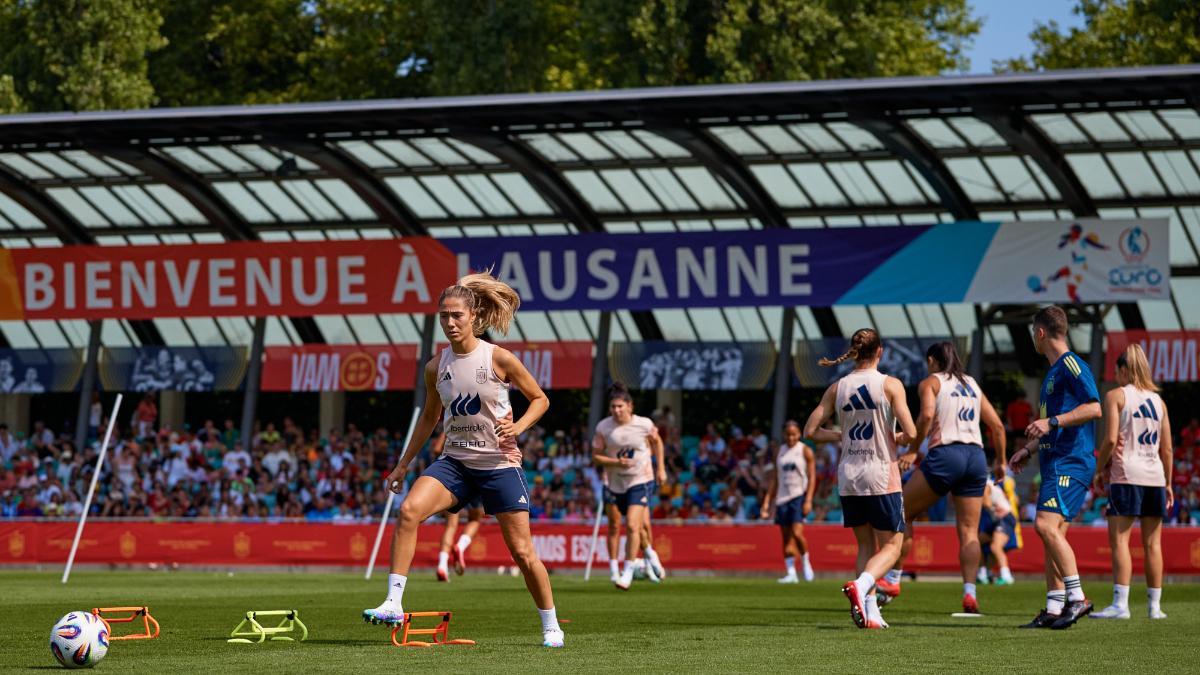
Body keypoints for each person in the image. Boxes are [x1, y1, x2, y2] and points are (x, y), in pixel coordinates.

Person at [365, 271, 564, 648]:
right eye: (444, 316)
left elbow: (541, 399)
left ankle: (551, 624)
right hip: (454, 462)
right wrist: (404, 464)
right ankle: (393, 602)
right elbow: (429, 417)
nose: (450, 322)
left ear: (474, 315)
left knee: (523, 553)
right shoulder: (434, 366)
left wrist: (518, 427)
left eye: (457, 315)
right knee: (408, 511)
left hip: (499, 464)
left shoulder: (499, 358)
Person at [876, 342, 1006, 614]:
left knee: (902, 512)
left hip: (946, 454)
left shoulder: (931, 383)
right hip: (975, 457)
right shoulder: (971, 383)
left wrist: (912, 450)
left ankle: (893, 579)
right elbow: (996, 426)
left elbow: (925, 415)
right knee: (969, 532)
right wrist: (1002, 462)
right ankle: (970, 594)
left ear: (933, 360)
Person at [803, 328, 916, 629]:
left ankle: (871, 613)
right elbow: (912, 432)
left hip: (849, 475)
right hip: (880, 473)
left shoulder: (837, 387)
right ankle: (862, 584)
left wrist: (841, 434)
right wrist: (896, 437)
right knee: (893, 546)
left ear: (854, 352)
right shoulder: (890, 385)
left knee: (865, 546)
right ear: (880, 351)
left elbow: (810, 432)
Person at [1009, 305, 1101, 629]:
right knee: (1053, 534)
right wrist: (1029, 449)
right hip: (1055, 459)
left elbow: (1094, 407)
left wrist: (1050, 421)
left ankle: (1077, 599)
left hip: (1071, 460)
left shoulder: (1071, 364)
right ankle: (1053, 608)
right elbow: (1054, 425)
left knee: (1045, 527)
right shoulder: (1053, 372)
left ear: (1041, 333)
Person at [1091, 343, 1173, 620]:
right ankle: (1154, 607)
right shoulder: (1159, 402)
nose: (1115, 376)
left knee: (1120, 542)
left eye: (1116, 371)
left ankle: (1121, 604)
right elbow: (1168, 450)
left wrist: (1098, 469)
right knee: (1153, 545)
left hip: (1127, 474)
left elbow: (1111, 439)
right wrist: (1169, 483)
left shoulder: (1116, 396)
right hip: (1155, 476)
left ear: (1124, 370)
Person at [592, 381, 667, 590]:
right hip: (615, 483)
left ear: (629, 406)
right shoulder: (603, 427)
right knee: (622, 526)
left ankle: (627, 572)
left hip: (640, 479)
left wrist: (661, 468)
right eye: (613, 407)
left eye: (620, 406)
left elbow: (658, 442)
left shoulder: (644, 424)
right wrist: (616, 462)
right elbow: (596, 457)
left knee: (634, 525)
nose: (616, 410)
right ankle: (650, 554)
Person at [760, 420, 816, 583]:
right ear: (784, 435)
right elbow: (775, 479)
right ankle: (791, 572)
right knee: (785, 537)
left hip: (798, 495)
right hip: (782, 498)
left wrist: (808, 500)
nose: (791, 437)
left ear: (799, 434)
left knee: (797, 533)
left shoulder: (805, 450)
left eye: (794, 434)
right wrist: (766, 502)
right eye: (788, 434)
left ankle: (806, 562)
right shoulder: (779, 452)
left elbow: (812, 477)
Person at [979, 470, 1019, 585]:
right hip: (997, 519)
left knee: (995, 547)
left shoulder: (986, 485)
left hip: (1005, 517)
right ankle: (983, 573)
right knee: (977, 542)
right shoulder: (989, 484)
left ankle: (1007, 576)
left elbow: (986, 502)